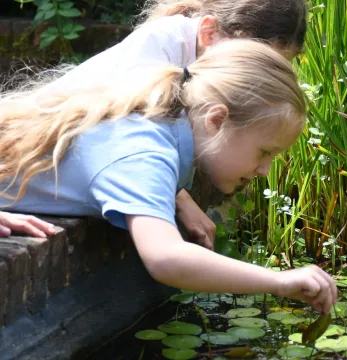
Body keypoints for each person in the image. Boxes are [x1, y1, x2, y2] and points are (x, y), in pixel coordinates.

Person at [0, 39, 337, 314]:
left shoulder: (158, 122)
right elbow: (165, 258)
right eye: (265, 152)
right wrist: (278, 281)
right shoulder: (145, 154)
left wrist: (176, 195)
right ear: (216, 120)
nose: (265, 170)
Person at [0, 0, 309, 248]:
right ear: (209, 32)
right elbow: (134, 136)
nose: (258, 75)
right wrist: (179, 201)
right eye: (253, 56)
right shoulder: (162, 45)